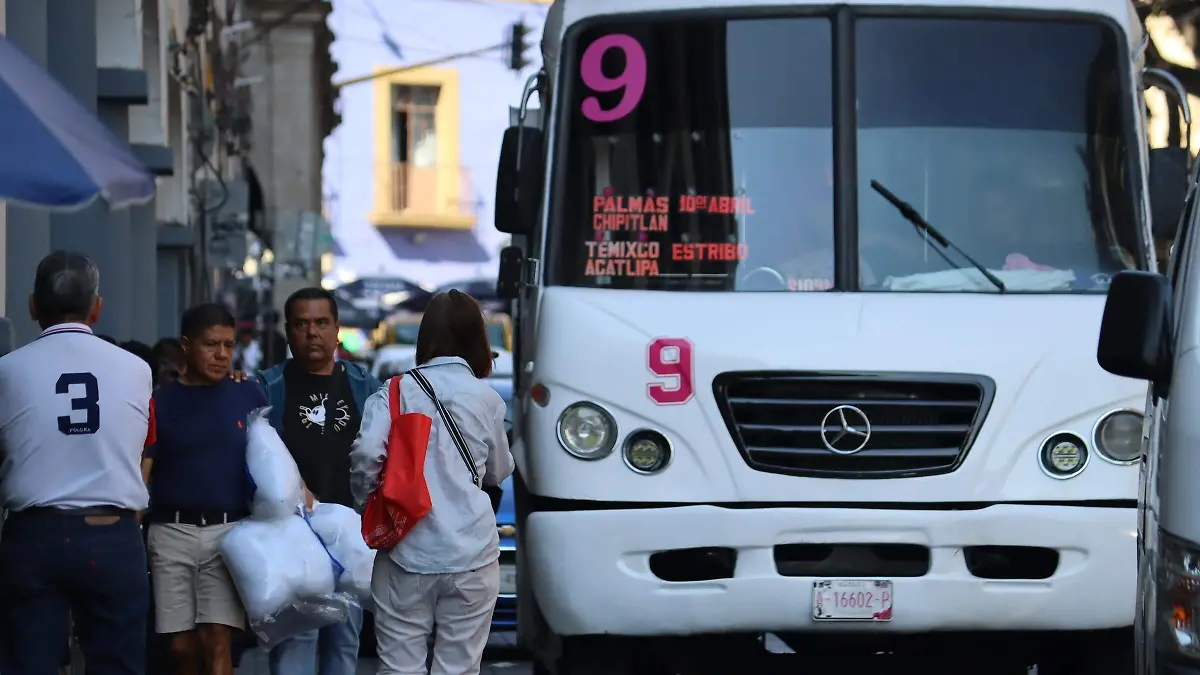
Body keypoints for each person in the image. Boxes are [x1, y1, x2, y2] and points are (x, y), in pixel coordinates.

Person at [0, 250, 152, 675]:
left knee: (29, 662)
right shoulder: (138, 369)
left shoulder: (7, 371)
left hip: (34, 535)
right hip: (112, 535)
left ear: (33, 306)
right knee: (117, 663)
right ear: (97, 307)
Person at [350, 290, 515, 675]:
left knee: (399, 667)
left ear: (425, 339)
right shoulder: (486, 398)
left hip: (406, 549)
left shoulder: (393, 392)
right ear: (478, 340)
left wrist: (368, 500)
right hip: (472, 554)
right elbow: (499, 471)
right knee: (458, 667)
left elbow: (365, 456)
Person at [256, 287, 382, 675]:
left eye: (321, 323)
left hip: (352, 537)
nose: (312, 332)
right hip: (291, 538)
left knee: (345, 646)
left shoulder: (365, 387)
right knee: (297, 642)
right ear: (288, 331)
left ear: (337, 329)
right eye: (302, 324)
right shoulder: (267, 386)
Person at [142, 303, 267, 675]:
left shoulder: (248, 396)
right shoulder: (160, 402)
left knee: (218, 640)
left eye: (228, 346)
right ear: (186, 346)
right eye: (211, 345)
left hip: (229, 533)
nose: (221, 355)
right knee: (180, 647)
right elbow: (143, 468)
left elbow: (273, 461)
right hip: (170, 532)